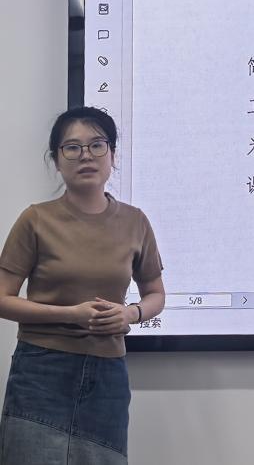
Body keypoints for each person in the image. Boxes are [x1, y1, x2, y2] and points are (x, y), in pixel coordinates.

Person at [0, 107, 164, 464]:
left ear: (113, 155)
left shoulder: (135, 222)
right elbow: (2, 298)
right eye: (72, 147)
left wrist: (131, 314)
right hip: (40, 369)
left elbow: (155, 293)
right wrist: (70, 314)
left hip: (107, 375)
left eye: (97, 145)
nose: (86, 155)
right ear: (57, 160)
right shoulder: (35, 219)